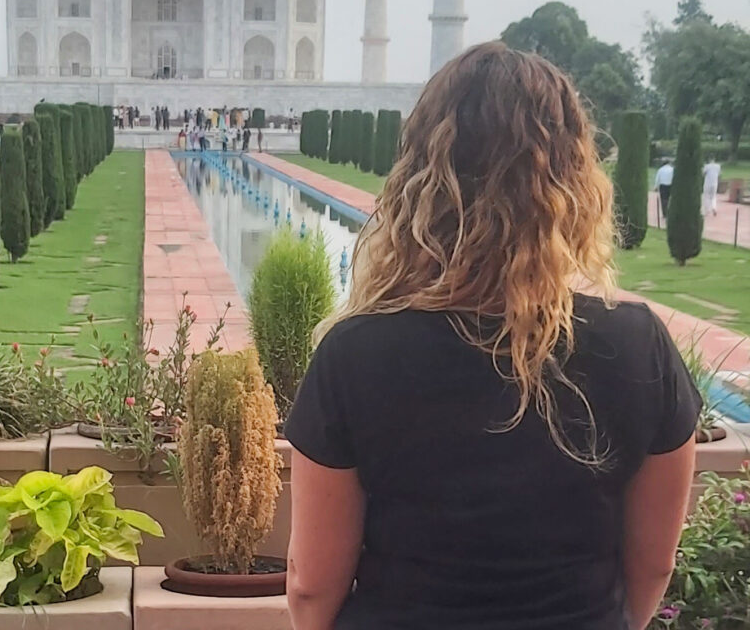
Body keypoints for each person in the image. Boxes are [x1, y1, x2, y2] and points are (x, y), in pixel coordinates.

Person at [285, 42, 699, 630]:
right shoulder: (636, 344)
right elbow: (654, 562)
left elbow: (310, 585)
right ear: (573, 177)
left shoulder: (356, 353)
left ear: (420, 175)